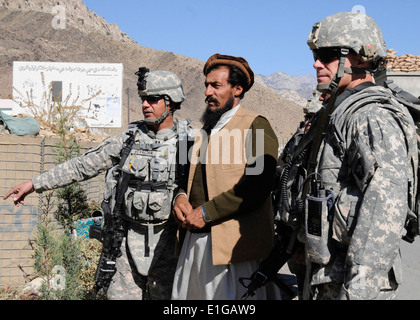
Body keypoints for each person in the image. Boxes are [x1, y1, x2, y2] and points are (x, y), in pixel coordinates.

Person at [4, 68, 193, 300]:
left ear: (171, 102)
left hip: (170, 247)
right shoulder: (128, 140)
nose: (145, 104)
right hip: (126, 245)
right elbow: (81, 166)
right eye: (143, 99)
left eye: (153, 99)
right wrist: (34, 184)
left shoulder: (190, 142)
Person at [279, 11, 417, 300]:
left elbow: (384, 207)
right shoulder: (335, 112)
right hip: (325, 274)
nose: (316, 63)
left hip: (354, 283)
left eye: (327, 54)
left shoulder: (371, 116)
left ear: (361, 57)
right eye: (316, 54)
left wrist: (360, 288)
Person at [171, 53, 281, 300]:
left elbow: (258, 185)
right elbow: (183, 178)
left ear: (237, 89)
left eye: (216, 86)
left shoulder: (256, 125)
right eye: (206, 85)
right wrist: (179, 197)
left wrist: (207, 212)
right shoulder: (199, 133)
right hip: (194, 244)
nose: (207, 92)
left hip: (235, 251)